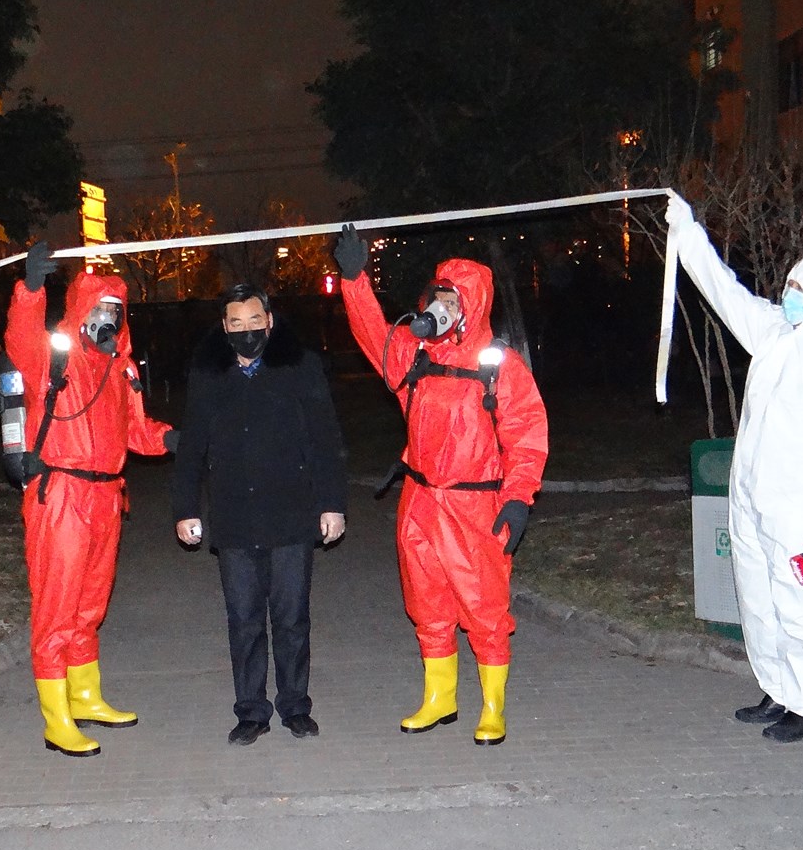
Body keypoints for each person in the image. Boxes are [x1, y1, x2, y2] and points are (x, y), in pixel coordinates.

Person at [666, 194, 803, 743]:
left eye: (801, 290)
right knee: (758, 603)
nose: (790, 296)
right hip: (752, 500)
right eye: (790, 286)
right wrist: (688, 234)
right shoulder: (774, 336)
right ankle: (778, 689)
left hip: (802, 514)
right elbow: (724, 291)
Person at [332, 227, 550, 744]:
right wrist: (354, 280)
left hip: (475, 506)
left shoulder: (498, 364)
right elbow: (375, 336)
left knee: (484, 607)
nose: (442, 309)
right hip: (420, 501)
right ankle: (440, 697)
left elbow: (526, 435)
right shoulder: (415, 354)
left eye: (453, 301)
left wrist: (518, 498)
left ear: (473, 306)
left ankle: (492, 707)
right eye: (438, 297)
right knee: (427, 604)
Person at [6, 242, 173, 756]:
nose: (108, 319)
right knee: (57, 606)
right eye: (100, 309)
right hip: (60, 495)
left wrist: (174, 439)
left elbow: (137, 431)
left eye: (116, 311)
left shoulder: (121, 369)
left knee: (90, 605)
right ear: (81, 309)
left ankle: (84, 697)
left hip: (106, 497)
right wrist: (31, 289)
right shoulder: (53, 357)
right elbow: (20, 339)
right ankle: (56, 719)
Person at [171, 284, 349, 745]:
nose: (247, 331)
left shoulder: (300, 367)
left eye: (255, 321)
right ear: (224, 326)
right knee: (244, 620)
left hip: (291, 513)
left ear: (269, 322)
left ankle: (295, 706)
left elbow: (326, 440)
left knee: (292, 619)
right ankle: (251, 711)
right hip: (234, 517)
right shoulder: (209, 374)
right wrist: (185, 509)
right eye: (237, 323)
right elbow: (191, 447)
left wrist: (332, 504)